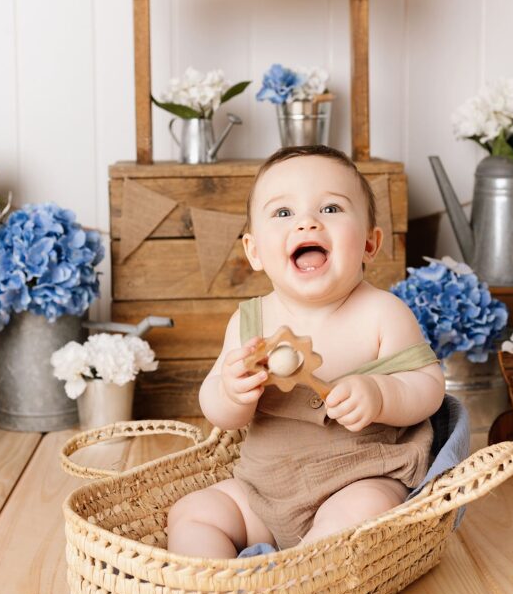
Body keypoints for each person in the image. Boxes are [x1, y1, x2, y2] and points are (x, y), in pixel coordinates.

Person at [166, 145, 445, 558]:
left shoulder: (382, 313)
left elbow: (429, 386)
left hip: (358, 479)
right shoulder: (249, 322)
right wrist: (231, 392)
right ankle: (218, 589)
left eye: (331, 208)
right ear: (255, 251)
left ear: (370, 243)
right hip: (264, 491)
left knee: (365, 509)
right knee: (193, 511)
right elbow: (219, 412)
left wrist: (381, 394)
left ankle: (293, 580)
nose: (307, 223)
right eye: (283, 214)